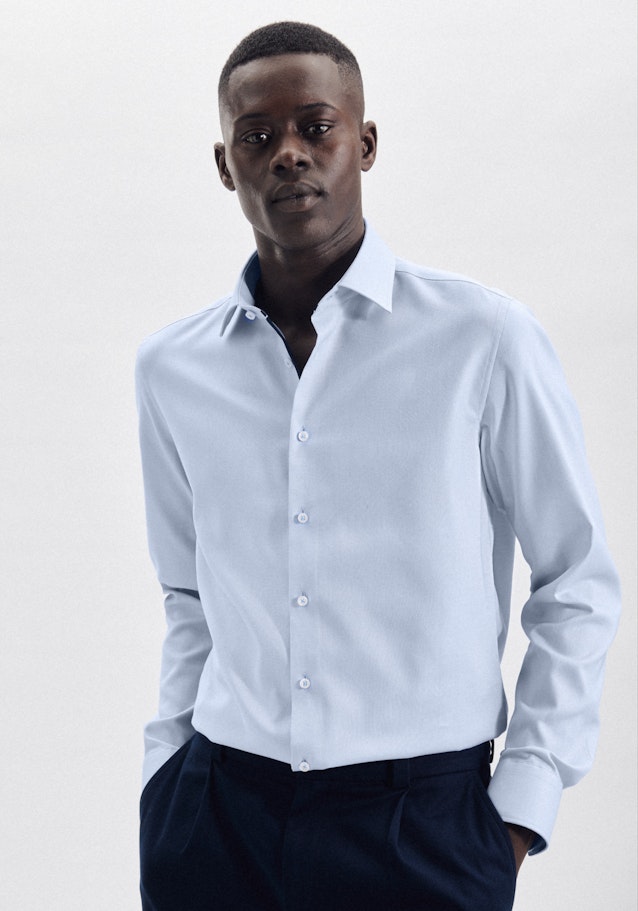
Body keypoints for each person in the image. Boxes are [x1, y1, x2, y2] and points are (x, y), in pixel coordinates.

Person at [135, 21, 621, 911]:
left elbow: (576, 577)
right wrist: (165, 777)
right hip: (217, 821)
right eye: (257, 135)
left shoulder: (482, 339)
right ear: (225, 164)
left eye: (315, 127)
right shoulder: (173, 369)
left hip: (422, 828)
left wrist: (520, 809)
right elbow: (188, 594)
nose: (289, 153)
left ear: (363, 142)